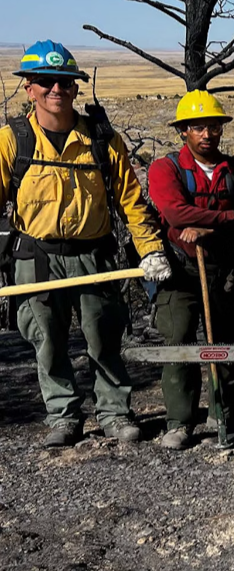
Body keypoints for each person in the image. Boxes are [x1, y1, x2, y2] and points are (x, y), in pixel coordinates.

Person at [1, 40, 171, 447]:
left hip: (95, 254)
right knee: (46, 339)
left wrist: (151, 250)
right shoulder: (12, 140)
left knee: (104, 335)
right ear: (29, 87)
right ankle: (63, 416)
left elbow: (130, 200)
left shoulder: (103, 139)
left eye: (65, 82)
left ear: (76, 88)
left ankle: (115, 413)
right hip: (37, 256)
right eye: (46, 81)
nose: (56, 90)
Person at [147, 90, 234, 450]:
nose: (207, 134)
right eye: (198, 127)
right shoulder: (165, 168)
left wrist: (209, 228)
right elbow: (176, 214)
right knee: (179, 339)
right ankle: (179, 421)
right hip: (180, 270)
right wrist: (228, 219)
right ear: (183, 131)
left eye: (213, 126)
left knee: (223, 343)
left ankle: (222, 410)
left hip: (224, 269)